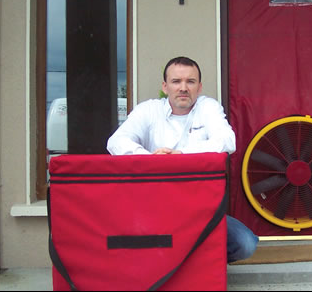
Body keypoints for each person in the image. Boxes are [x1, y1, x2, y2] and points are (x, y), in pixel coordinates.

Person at [107, 56, 258, 263]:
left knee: (245, 244)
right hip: (153, 207)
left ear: (199, 86)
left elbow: (227, 141)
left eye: (190, 81)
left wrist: (181, 156)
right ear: (165, 86)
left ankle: (197, 267)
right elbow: (116, 142)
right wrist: (152, 159)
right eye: (176, 82)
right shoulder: (148, 109)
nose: (183, 88)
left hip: (201, 208)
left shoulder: (209, 107)